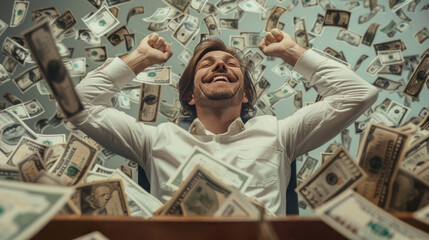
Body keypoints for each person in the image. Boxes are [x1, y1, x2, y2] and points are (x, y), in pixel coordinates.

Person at [72, 29, 378, 215]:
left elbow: (358, 94)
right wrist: (140, 58)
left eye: (231, 64)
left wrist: (290, 51)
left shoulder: (280, 134)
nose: (220, 64)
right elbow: (78, 104)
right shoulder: (154, 140)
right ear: (190, 95)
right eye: (207, 64)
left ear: (244, 94)